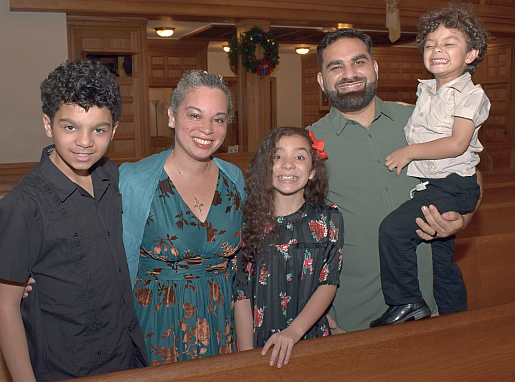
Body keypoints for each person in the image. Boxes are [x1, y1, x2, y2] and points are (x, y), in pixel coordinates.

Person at [309, 28, 481, 332]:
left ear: (375, 69)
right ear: (322, 80)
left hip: (435, 306)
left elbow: (471, 173)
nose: (349, 73)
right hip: (354, 316)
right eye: (336, 66)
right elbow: (292, 232)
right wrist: (311, 307)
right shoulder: (306, 144)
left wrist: (462, 219)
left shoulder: (420, 119)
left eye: (359, 62)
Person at [0, 60, 148, 382]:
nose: (85, 142)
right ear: (48, 124)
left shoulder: (114, 179)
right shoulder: (24, 205)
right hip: (66, 366)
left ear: (114, 129)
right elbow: (4, 306)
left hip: (127, 354)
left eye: (99, 129)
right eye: (70, 127)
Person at [372, 5, 490, 327]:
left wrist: (409, 152)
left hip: (452, 185)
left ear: (471, 54)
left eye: (449, 42)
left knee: (392, 231)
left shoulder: (472, 95)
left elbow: (456, 143)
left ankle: (406, 300)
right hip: (438, 185)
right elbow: (428, 117)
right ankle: (455, 321)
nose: (437, 49)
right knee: (442, 260)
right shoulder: (428, 90)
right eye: (429, 44)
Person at [119, 69, 245, 365]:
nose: (207, 129)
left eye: (218, 119)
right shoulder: (134, 181)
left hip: (222, 322)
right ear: (172, 117)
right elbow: (109, 257)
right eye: (194, 115)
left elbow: (246, 264)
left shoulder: (234, 179)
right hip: (158, 326)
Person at [234, 127, 343, 368]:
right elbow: (241, 293)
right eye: (278, 156)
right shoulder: (246, 220)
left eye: (300, 157)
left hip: (307, 337)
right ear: (266, 168)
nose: (288, 164)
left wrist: (294, 332)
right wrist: (245, 357)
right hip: (259, 343)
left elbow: (329, 282)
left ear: (313, 171)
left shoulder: (328, 219)